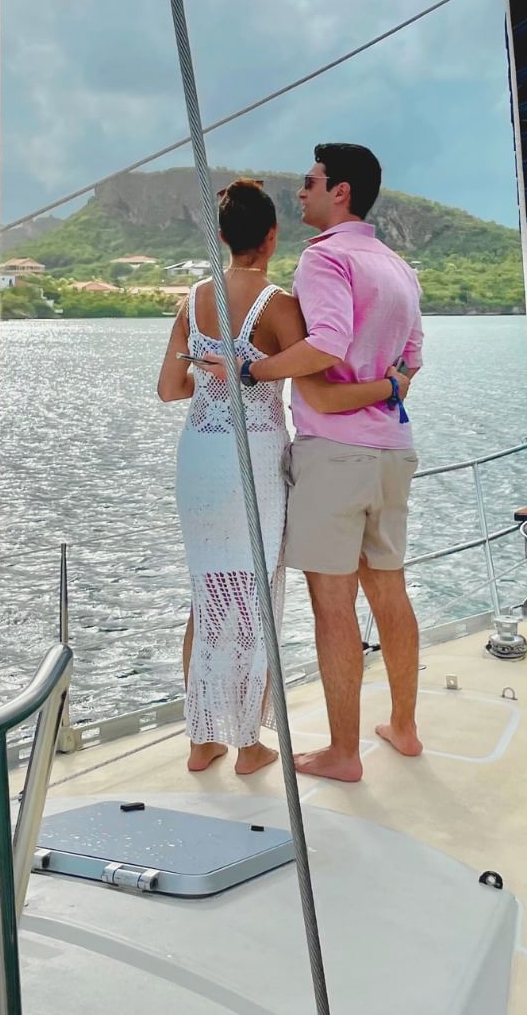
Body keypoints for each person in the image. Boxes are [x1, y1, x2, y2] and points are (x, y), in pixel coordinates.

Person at [158, 179, 411, 775]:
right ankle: (249, 745)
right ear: (271, 238)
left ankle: (201, 740)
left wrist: (212, 378)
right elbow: (316, 388)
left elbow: (170, 389)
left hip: (199, 456)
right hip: (256, 459)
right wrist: (390, 386)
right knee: (256, 598)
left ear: (221, 237)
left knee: (208, 592)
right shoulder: (278, 305)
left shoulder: (192, 299)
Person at [221, 143, 424, 784]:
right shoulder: (399, 267)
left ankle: (343, 753)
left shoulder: (324, 258)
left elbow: (327, 343)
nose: (301, 192)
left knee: (331, 604)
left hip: (335, 453)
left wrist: (252, 368)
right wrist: (387, 388)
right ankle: (405, 727)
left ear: (340, 191)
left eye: (310, 183)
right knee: (388, 588)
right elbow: (411, 361)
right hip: (392, 450)